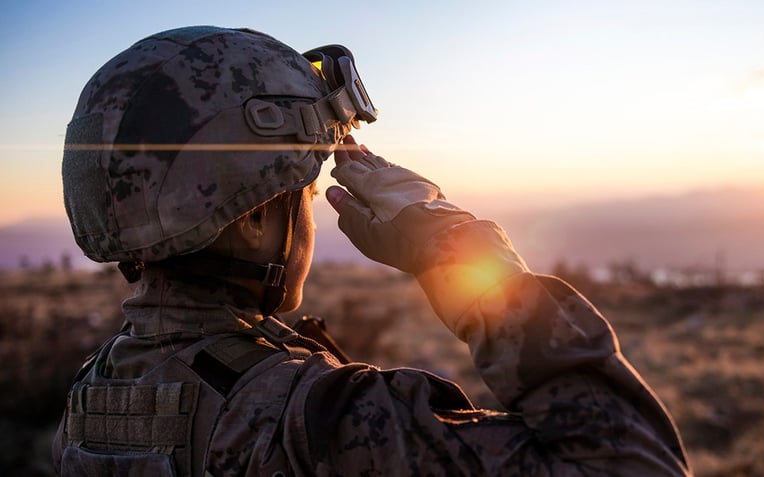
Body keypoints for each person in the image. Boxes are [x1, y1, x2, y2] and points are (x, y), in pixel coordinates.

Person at [53, 26, 691, 476]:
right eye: (302, 190)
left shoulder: (94, 395)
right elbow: (632, 459)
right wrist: (454, 243)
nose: (309, 214)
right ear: (251, 224)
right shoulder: (319, 419)